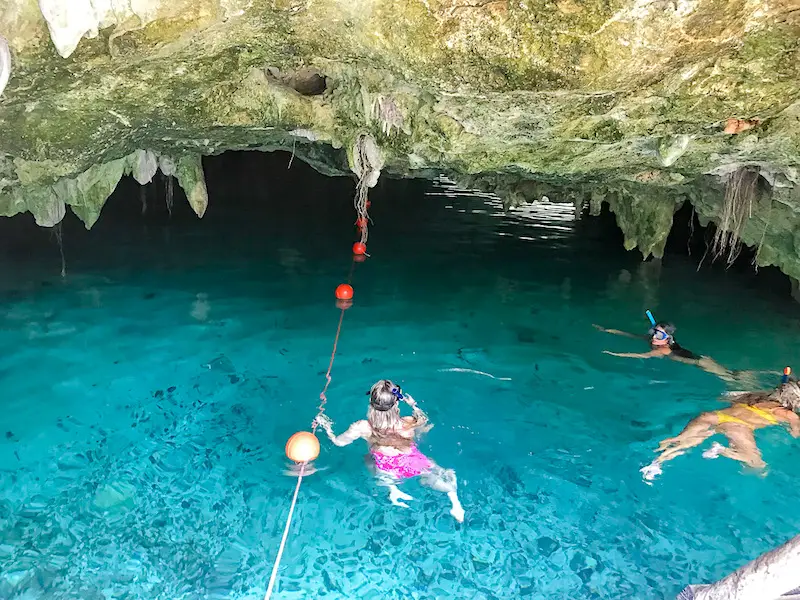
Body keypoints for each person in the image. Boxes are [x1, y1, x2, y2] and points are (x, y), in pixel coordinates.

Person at [314, 379, 465, 522]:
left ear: (371, 405)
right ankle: (454, 501)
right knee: (435, 472)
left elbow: (339, 443)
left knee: (368, 458)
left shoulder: (363, 426)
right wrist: (414, 406)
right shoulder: (408, 422)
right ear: (397, 404)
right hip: (412, 461)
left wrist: (326, 427)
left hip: (386, 468)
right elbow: (424, 423)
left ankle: (392, 489)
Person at [640, 378, 800, 481]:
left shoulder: (755, 396)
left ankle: (657, 462)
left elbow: (724, 396)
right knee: (757, 464)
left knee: (682, 441)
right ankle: (721, 450)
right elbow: (795, 433)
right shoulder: (788, 414)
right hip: (738, 427)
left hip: (712, 416)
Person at [593, 320, 748, 384]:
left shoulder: (663, 350)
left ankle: (744, 378)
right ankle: (741, 375)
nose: (654, 336)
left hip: (700, 363)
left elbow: (641, 356)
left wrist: (614, 354)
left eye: (659, 335)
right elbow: (629, 334)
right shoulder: (652, 340)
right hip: (696, 358)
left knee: (730, 379)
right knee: (731, 375)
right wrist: (607, 330)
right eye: (654, 332)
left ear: (667, 338)